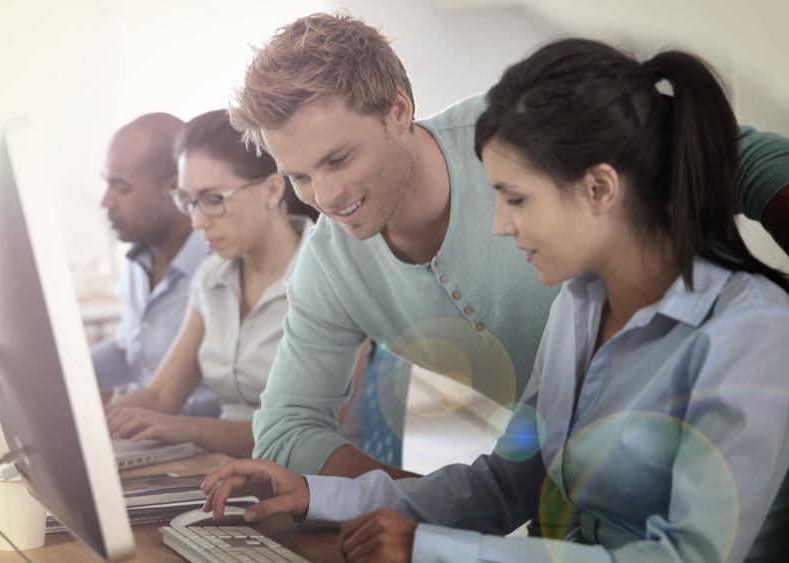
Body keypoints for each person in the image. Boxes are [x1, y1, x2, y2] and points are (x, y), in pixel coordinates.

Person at [200, 38, 789, 563]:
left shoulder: (748, 332)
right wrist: (328, 499)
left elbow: (689, 555)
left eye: (513, 198)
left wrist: (437, 546)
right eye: (300, 176)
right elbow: (509, 483)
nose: (323, 196)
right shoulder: (578, 307)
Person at [103, 109, 320, 458]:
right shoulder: (212, 276)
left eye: (213, 199)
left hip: (308, 486)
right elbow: (162, 396)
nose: (197, 222)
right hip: (225, 474)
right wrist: (85, 424)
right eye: (188, 202)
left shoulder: (325, 274)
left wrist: (187, 429)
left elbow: (303, 433)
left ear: (272, 189)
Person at [90, 113, 222, 416]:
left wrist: (118, 407)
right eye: (106, 184)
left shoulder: (220, 266)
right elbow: (131, 351)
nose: (106, 202)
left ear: (177, 189)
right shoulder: (138, 261)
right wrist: (61, 375)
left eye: (121, 188)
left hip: (202, 442)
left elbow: (232, 403)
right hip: (154, 430)